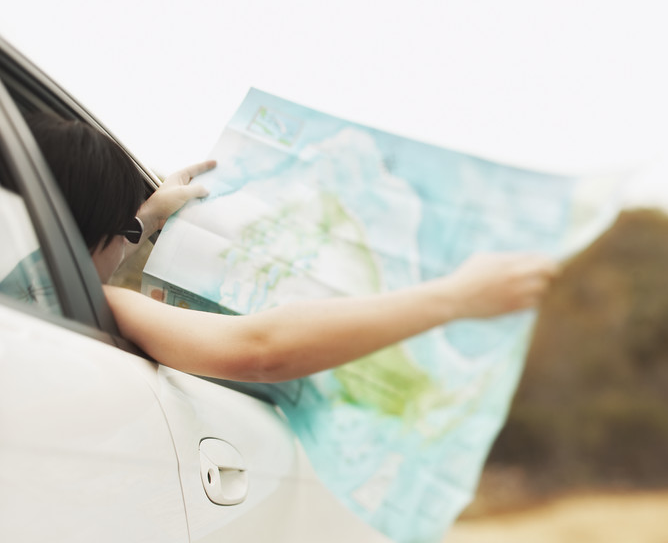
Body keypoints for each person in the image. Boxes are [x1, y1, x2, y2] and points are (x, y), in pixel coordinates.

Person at [26, 111, 558, 383]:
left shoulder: (23, 278)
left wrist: (141, 216)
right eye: (125, 234)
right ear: (92, 224)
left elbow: (80, 233)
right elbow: (261, 349)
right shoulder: (95, 299)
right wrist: (458, 297)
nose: (125, 248)